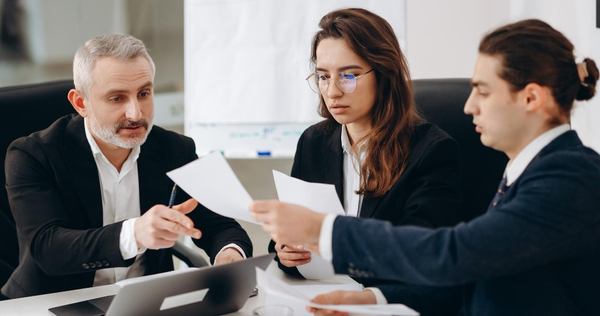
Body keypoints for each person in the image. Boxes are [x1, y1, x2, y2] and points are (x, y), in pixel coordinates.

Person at [251, 19, 600, 316]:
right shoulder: (529, 172)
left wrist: (326, 231)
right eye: (323, 76)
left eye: (482, 91)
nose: (468, 106)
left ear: (531, 98)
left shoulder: (570, 178)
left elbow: (454, 255)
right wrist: (371, 299)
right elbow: (471, 281)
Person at [2, 34, 252, 299]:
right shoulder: (33, 154)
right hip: (50, 302)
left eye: (144, 93)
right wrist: (135, 233)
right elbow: (48, 249)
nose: (136, 114)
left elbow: (220, 225)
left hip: (143, 301)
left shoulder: (175, 150)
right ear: (80, 103)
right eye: (117, 98)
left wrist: (229, 255)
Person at [269, 8, 464, 315]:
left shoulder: (431, 151)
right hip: (318, 299)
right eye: (323, 76)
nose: (332, 91)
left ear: (383, 73)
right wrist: (286, 252)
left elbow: (424, 260)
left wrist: (364, 297)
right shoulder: (314, 142)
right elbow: (287, 243)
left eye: (349, 76)